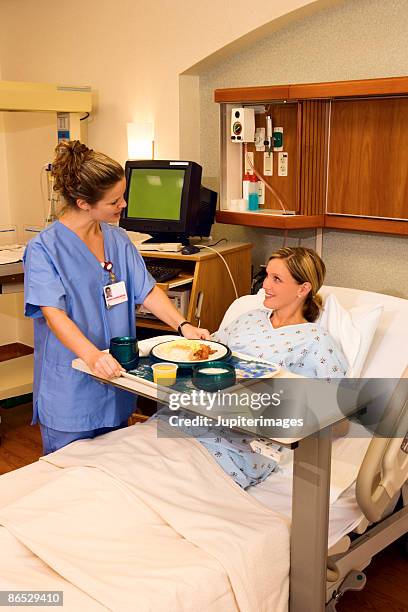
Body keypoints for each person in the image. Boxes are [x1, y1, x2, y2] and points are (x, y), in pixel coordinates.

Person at [24, 140, 209, 455]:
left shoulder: (118, 239)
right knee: (69, 482)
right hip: (72, 386)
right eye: (114, 201)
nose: (123, 205)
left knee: (114, 474)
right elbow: (55, 315)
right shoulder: (44, 250)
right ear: (84, 202)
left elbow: (146, 289)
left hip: (117, 380)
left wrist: (183, 326)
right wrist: (94, 358)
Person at [157, 247, 348, 489]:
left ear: (303, 289)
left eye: (276, 279)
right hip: (191, 416)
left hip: (242, 441)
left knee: (166, 480)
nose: (265, 285)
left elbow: (340, 420)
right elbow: (209, 356)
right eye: (266, 275)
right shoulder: (250, 317)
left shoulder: (316, 341)